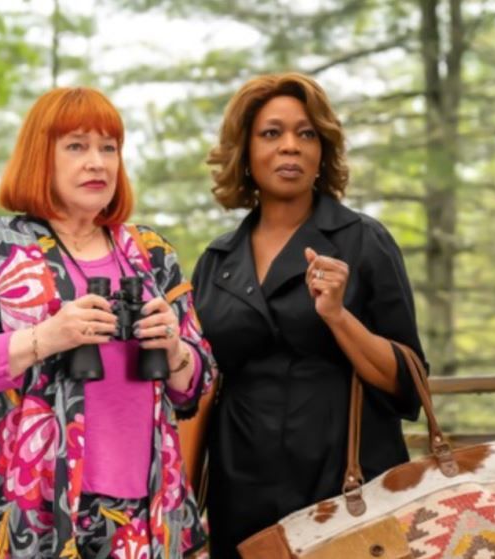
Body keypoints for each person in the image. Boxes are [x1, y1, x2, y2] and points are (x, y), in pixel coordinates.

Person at [0, 87, 216, 558]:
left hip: (142, 512)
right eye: (76, 146)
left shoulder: (150, 254)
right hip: (26, 509)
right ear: (42, 156)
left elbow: (195, 384)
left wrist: (176, 350)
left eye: (109, 148)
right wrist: (44, 338)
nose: (97, 162)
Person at [192, 72, 428, 557]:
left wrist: (339, 316)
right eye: (272, 133)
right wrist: (179, 499)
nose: (290, 147)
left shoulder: (364, 241)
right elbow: (197, 389)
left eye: (306, 134)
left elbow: (409, 386)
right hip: (241, 493)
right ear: (245, 150)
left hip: (347, 491)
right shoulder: (217, 262)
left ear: (323, 150)